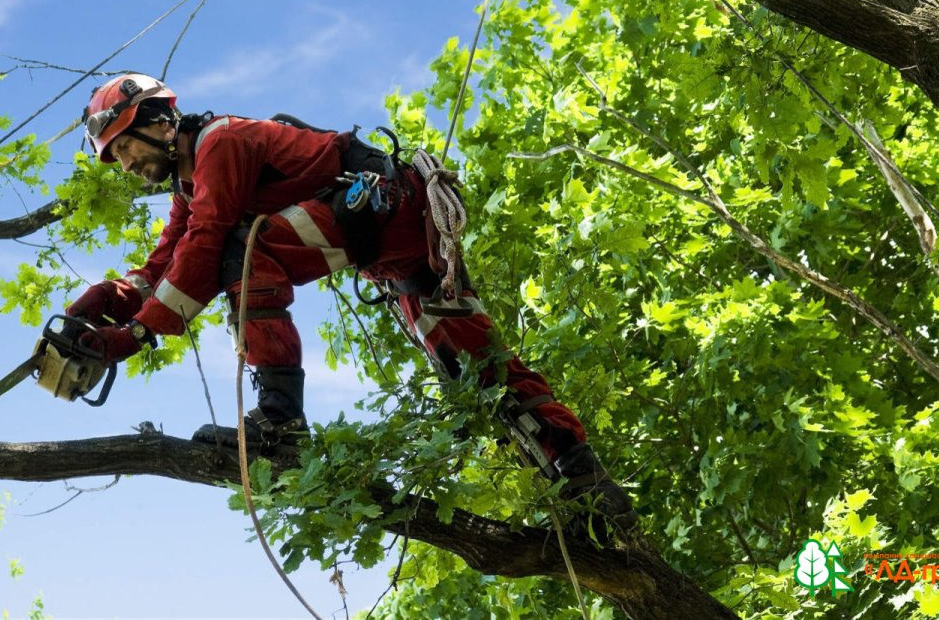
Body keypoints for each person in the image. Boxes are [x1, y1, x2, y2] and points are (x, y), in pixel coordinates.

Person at [71, 73, 637, 533]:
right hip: (393, 247)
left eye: (124, 147)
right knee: (474, 372)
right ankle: (583, 483)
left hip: (385, 211)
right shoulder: (189, 187)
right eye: (115, 156)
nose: (124, 165)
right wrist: (107, 302)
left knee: (242, 249)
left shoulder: (222, 142)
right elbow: (164, 264)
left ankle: (280, 422)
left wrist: (136, 337)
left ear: (160, 123)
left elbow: (205, 244)